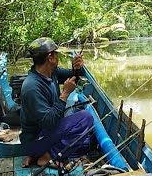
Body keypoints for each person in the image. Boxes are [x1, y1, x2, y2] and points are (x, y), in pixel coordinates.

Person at [19, 37, 95, 168]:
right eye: (56, 54)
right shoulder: (32, 87)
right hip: (36, 139)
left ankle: (40, 153)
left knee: (90, 142)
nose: (58, 56)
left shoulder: (52, 72)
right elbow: (49, 122)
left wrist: (77, 68)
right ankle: (46, 156)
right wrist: (65, 94)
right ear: (50, 57)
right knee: (86, 118)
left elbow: (74, 78)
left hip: (46, 132)